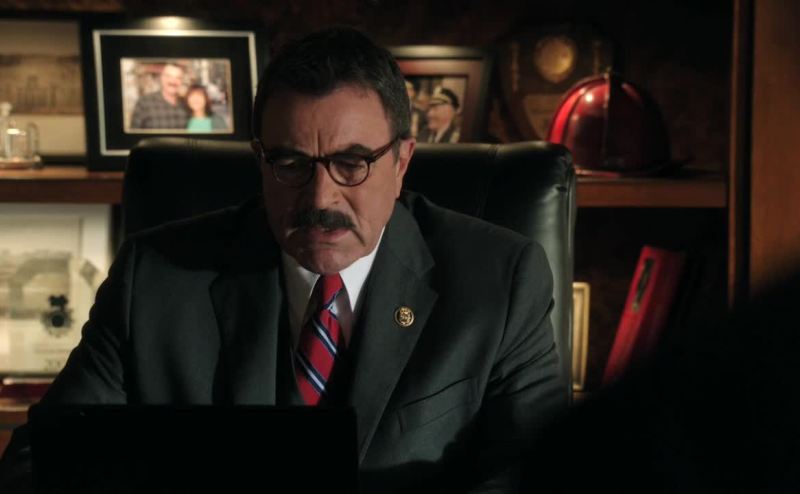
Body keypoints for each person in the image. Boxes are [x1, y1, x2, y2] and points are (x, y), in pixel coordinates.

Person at [0, 28, 565, 493]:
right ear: (260, 162)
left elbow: (535, 475)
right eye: (292, 164)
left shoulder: (501, 280)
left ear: (402, 163)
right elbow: (38, 465)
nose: (320, 198)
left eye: (352, 163)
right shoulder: (152, 278)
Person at [129, 62, 189, 130]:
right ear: (161, 78)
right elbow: (133, 131)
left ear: (181, 81)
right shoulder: (144, 103)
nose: (173, 81)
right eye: (168, 76)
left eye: (178, 77)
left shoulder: (186, 104)